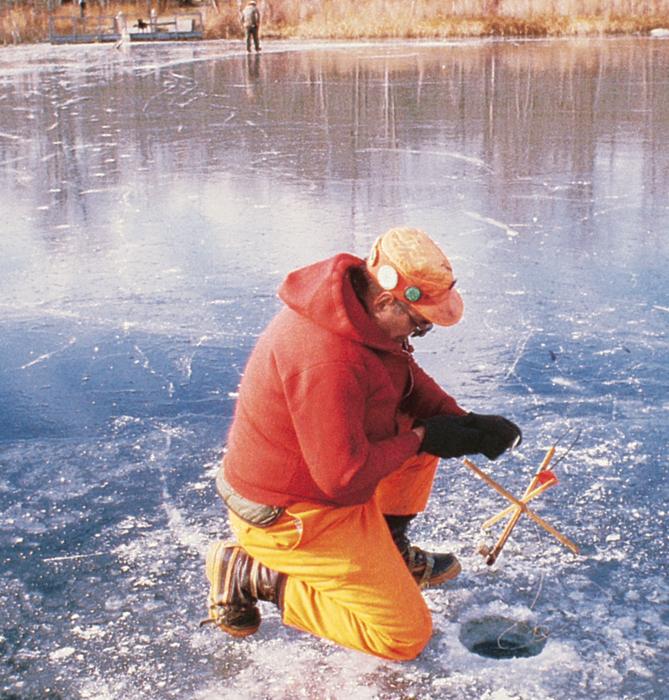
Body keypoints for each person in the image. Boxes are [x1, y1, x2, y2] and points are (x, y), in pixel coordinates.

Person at [202, 227, 522, 660]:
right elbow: (343, 480)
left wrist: (459, 420)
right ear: (388, 300)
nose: (418, 335)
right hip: (289, 514)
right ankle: (253, 574)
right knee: (404, 636)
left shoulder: (358, 314)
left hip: (318, 476)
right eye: (420, 324)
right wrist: (424, 436)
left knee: (424, 437)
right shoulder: (327, 359)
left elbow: (405, 379)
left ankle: (388, 547)